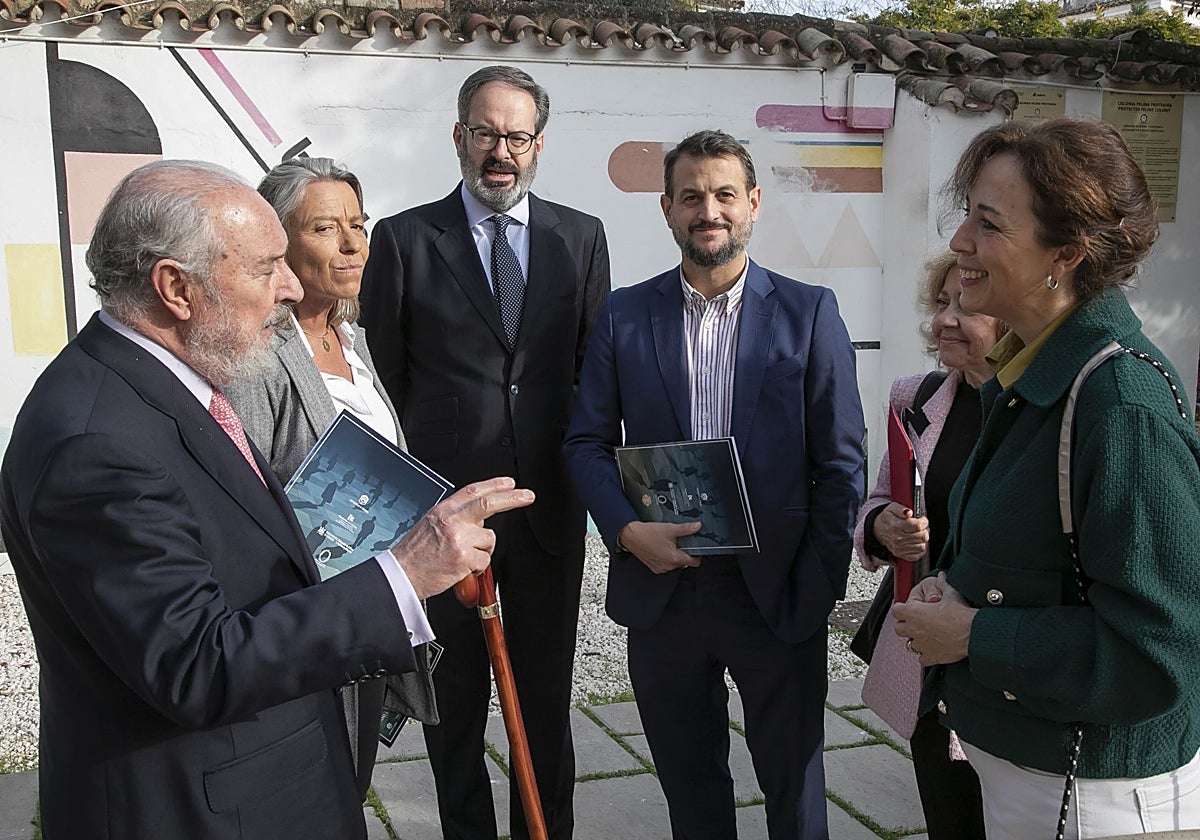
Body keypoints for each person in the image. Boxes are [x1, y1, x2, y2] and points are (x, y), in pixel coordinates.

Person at [0, 160, 534, 839]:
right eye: (264, 267)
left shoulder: (177, 377)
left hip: (270, 773)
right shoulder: (95, 442)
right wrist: (402, 573)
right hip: (205, 807)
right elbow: (195, 664)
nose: (287, 288)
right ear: (175, 287)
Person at [893, 117, 1200, 839]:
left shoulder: (1121, 406)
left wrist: (973, 634)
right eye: (966, 213)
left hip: (1094, 799)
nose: (960, 242)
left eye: (989, 222)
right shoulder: (1030, 375)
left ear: (1066, 253)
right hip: (1040, 781)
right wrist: (959, 589)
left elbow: (1159, 652)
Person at [564, 130, 865, 840]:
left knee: (794, 787)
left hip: (776, 594)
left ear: (753, 203)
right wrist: (626, 533)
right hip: (665, 591)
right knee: (690, 788)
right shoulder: (626, 314)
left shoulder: (809, 312)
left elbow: (842, 462)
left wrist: (817, 584)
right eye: (692, 196)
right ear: (667, 209)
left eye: (725, 194)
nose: (710, 210)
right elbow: (585, 442)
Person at [358, 65, 610, 840]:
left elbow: (587, 370)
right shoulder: (402, 240)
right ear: (459, 135)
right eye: (485, 132)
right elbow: (390, 377)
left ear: (539, 145)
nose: (500, 150)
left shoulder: (581, 236)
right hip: (443, 520)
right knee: (455, 709)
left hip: (545, 515)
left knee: (544, 708)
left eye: (517, 136)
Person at [224, 158, 439, 798]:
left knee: (351, 782)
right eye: (325, 228)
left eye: (357, 224)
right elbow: (243, 497)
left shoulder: (354, 337)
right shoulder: (256, 351)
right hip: (303, 617)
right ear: (278, 242)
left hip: (369, 607)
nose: (351, 245)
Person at [853, 249, 1005, 840]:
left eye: (966, 304)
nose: (945, 318)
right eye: (941, 302)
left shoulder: (1041, 410)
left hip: (1000, 657)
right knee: (950, 815)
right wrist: (882, 526)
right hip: (929, 661)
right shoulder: (915, 398)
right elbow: (875, 502)